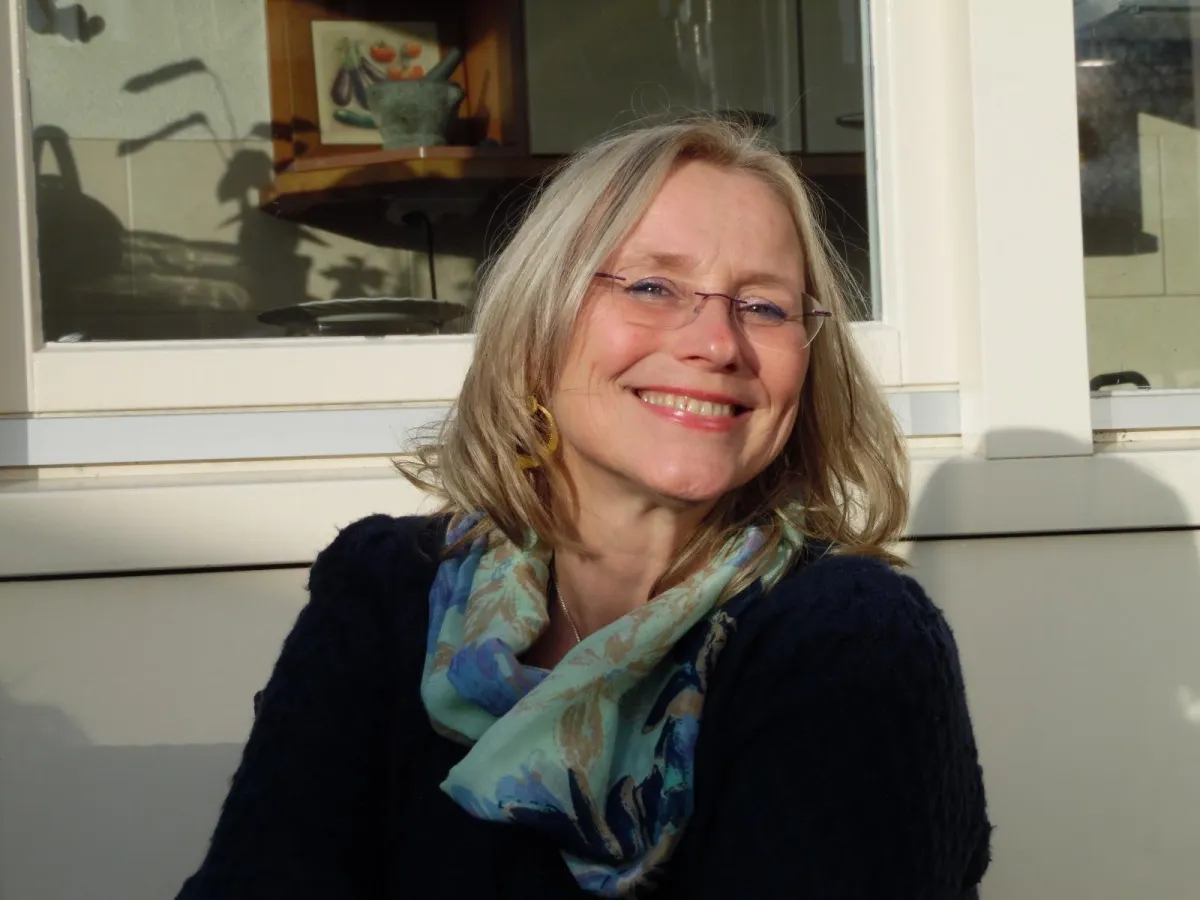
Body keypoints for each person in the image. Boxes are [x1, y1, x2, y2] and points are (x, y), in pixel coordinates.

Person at [176, 118, 991, 899]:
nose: (717, 343)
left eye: (764, 306)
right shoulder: (387, 591)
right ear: (538, 326)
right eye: (652, 286)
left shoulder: (848, 636)